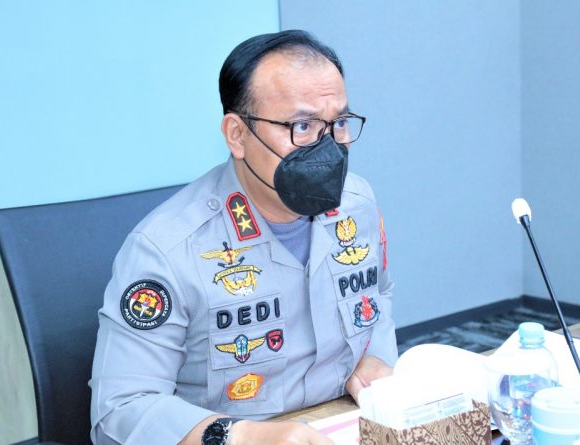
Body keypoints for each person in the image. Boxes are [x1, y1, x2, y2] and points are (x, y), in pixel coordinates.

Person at [90, 30, 397, 445]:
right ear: (237, 134)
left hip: (339, 424)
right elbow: (119, 410)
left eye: (338, 123)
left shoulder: (356, 203)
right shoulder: (166, 249)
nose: (327, 149)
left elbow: (379, 293)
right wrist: (241, 436)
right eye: (302, 126)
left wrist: (375, 355)